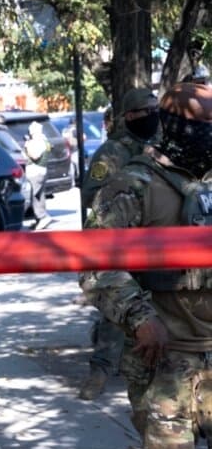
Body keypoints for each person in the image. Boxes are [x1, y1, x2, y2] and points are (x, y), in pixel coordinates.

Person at [79, 81, 212, 449]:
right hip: (169, 361)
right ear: (180, 129)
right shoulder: (133, 184)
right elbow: (96, 265)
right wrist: (140, 317)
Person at [78, 88, 160, 403]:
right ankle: (99, 371)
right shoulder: (113, 152)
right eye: (144, 111)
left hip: (155, 246)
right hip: (122, 244)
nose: (152, 116)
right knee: (116, 312)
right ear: (129, 117)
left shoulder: (163, 146)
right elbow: (92, 195)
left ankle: (146, 368)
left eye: (155, 108)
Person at [23, 120, 52, 230]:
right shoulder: (44, 141)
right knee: (39, 196)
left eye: (31, 133)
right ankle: (40, 219)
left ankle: (42, 216)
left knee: (33, 196)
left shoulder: (38, 141)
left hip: (36, 173)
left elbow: (35, 156)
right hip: (41, 171)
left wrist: (27, 146)